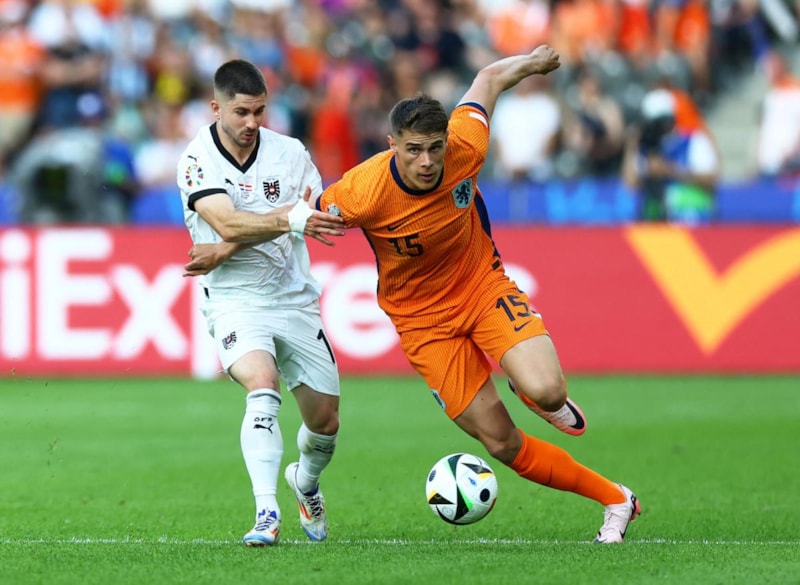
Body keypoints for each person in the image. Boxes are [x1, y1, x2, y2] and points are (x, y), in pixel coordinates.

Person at [186, 46, 641, 544]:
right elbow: (302, 218)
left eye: (434, 148)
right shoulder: (362, 191)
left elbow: (488, 78)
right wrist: (224, 247)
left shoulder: (467, 146)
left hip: (482, 288)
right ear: (392, 146)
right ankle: (617, 499)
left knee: (548, 390)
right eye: (413, 150)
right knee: (501, 443)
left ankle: (531, 389)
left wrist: (531, 63)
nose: (426, 162)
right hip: (423, 325)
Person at [176, 59, 346, 547]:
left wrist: (225, 248)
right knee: (262, 384)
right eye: (241, 112)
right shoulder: (196, 159)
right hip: (235, 299)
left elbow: (312, 213)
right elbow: (228, 221)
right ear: (216, 108)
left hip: (294, 298)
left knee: (325, 423)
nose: (252, 122)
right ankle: (266, 512)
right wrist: (285, 218)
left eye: (260, 111)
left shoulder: (290, 153)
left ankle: (305, 482)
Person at [621, 87, 719, 223]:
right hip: (655, 221)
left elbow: (711, 178)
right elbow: (630, 184)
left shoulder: (693, 141)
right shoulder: (646, 146)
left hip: (691, 217)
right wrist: (632, 147)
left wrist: (670, 170)